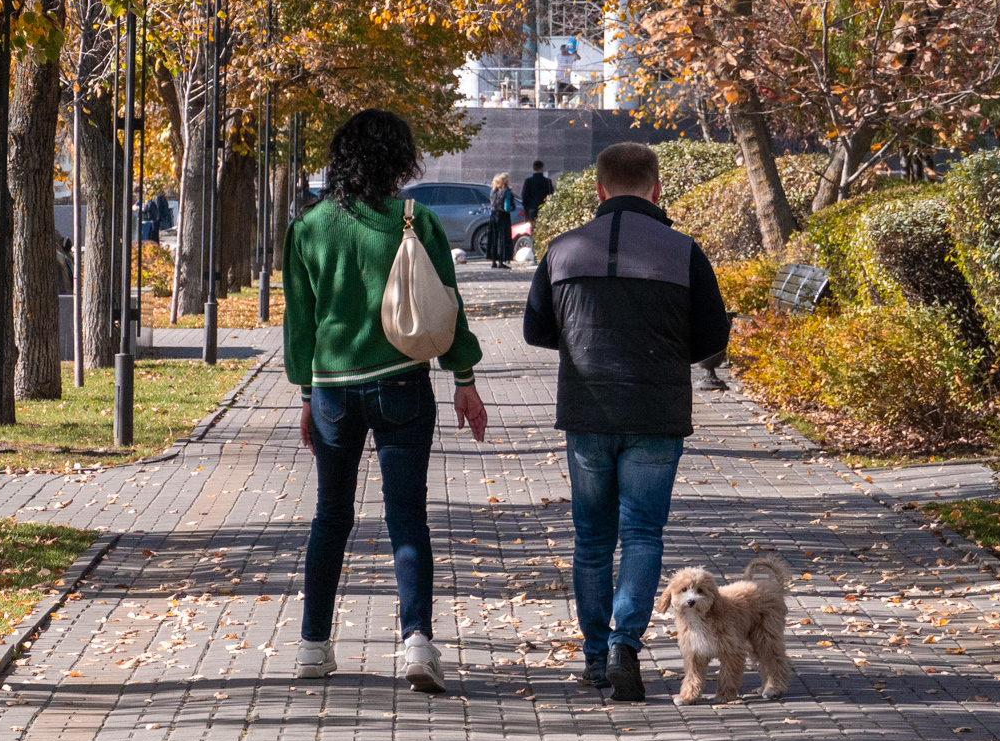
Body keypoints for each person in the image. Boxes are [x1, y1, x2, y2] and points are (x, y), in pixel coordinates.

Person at [284, 109, 488, 693]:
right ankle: (417, 644)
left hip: (332, 395)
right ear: (399, 160)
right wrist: (464, 378)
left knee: (330, 518)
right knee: (407, 517)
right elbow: (446, 306)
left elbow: (300, 325)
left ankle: (312, 646)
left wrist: (306, 391)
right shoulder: (413, 219)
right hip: (402, 383)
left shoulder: (309, 226)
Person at [522, 141, 730, 701]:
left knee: (592, 538)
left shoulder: (563, 250)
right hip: (656, 411)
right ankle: (625, 645)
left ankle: (595, 657)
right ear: (656, 188)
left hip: (587, 409)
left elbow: (535, 331)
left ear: (599, 189)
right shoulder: (683, 252)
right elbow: (714, 337)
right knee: (642, 532)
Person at [486, 172, 516, 269]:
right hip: (503, 216)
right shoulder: (506, 191)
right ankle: (501, 261)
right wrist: (512, 207)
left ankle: (493, 261)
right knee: (502, 238)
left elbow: (492, 205)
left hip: (493, 216)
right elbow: (507, 207)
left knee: (493, 238)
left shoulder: (493, 191)